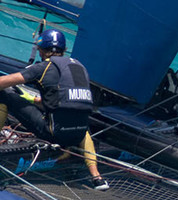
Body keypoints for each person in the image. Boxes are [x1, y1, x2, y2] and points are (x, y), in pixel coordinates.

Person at [0, 28, 106, 188]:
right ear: (63, 50)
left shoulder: (43, 67)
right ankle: (97, 177)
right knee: (81, 123)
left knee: (5, 94)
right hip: (77, 134)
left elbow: (4, 82)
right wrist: (33, 100)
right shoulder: (79, 68)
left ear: (42, 50)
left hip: (53, 133)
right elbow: (63, 101)